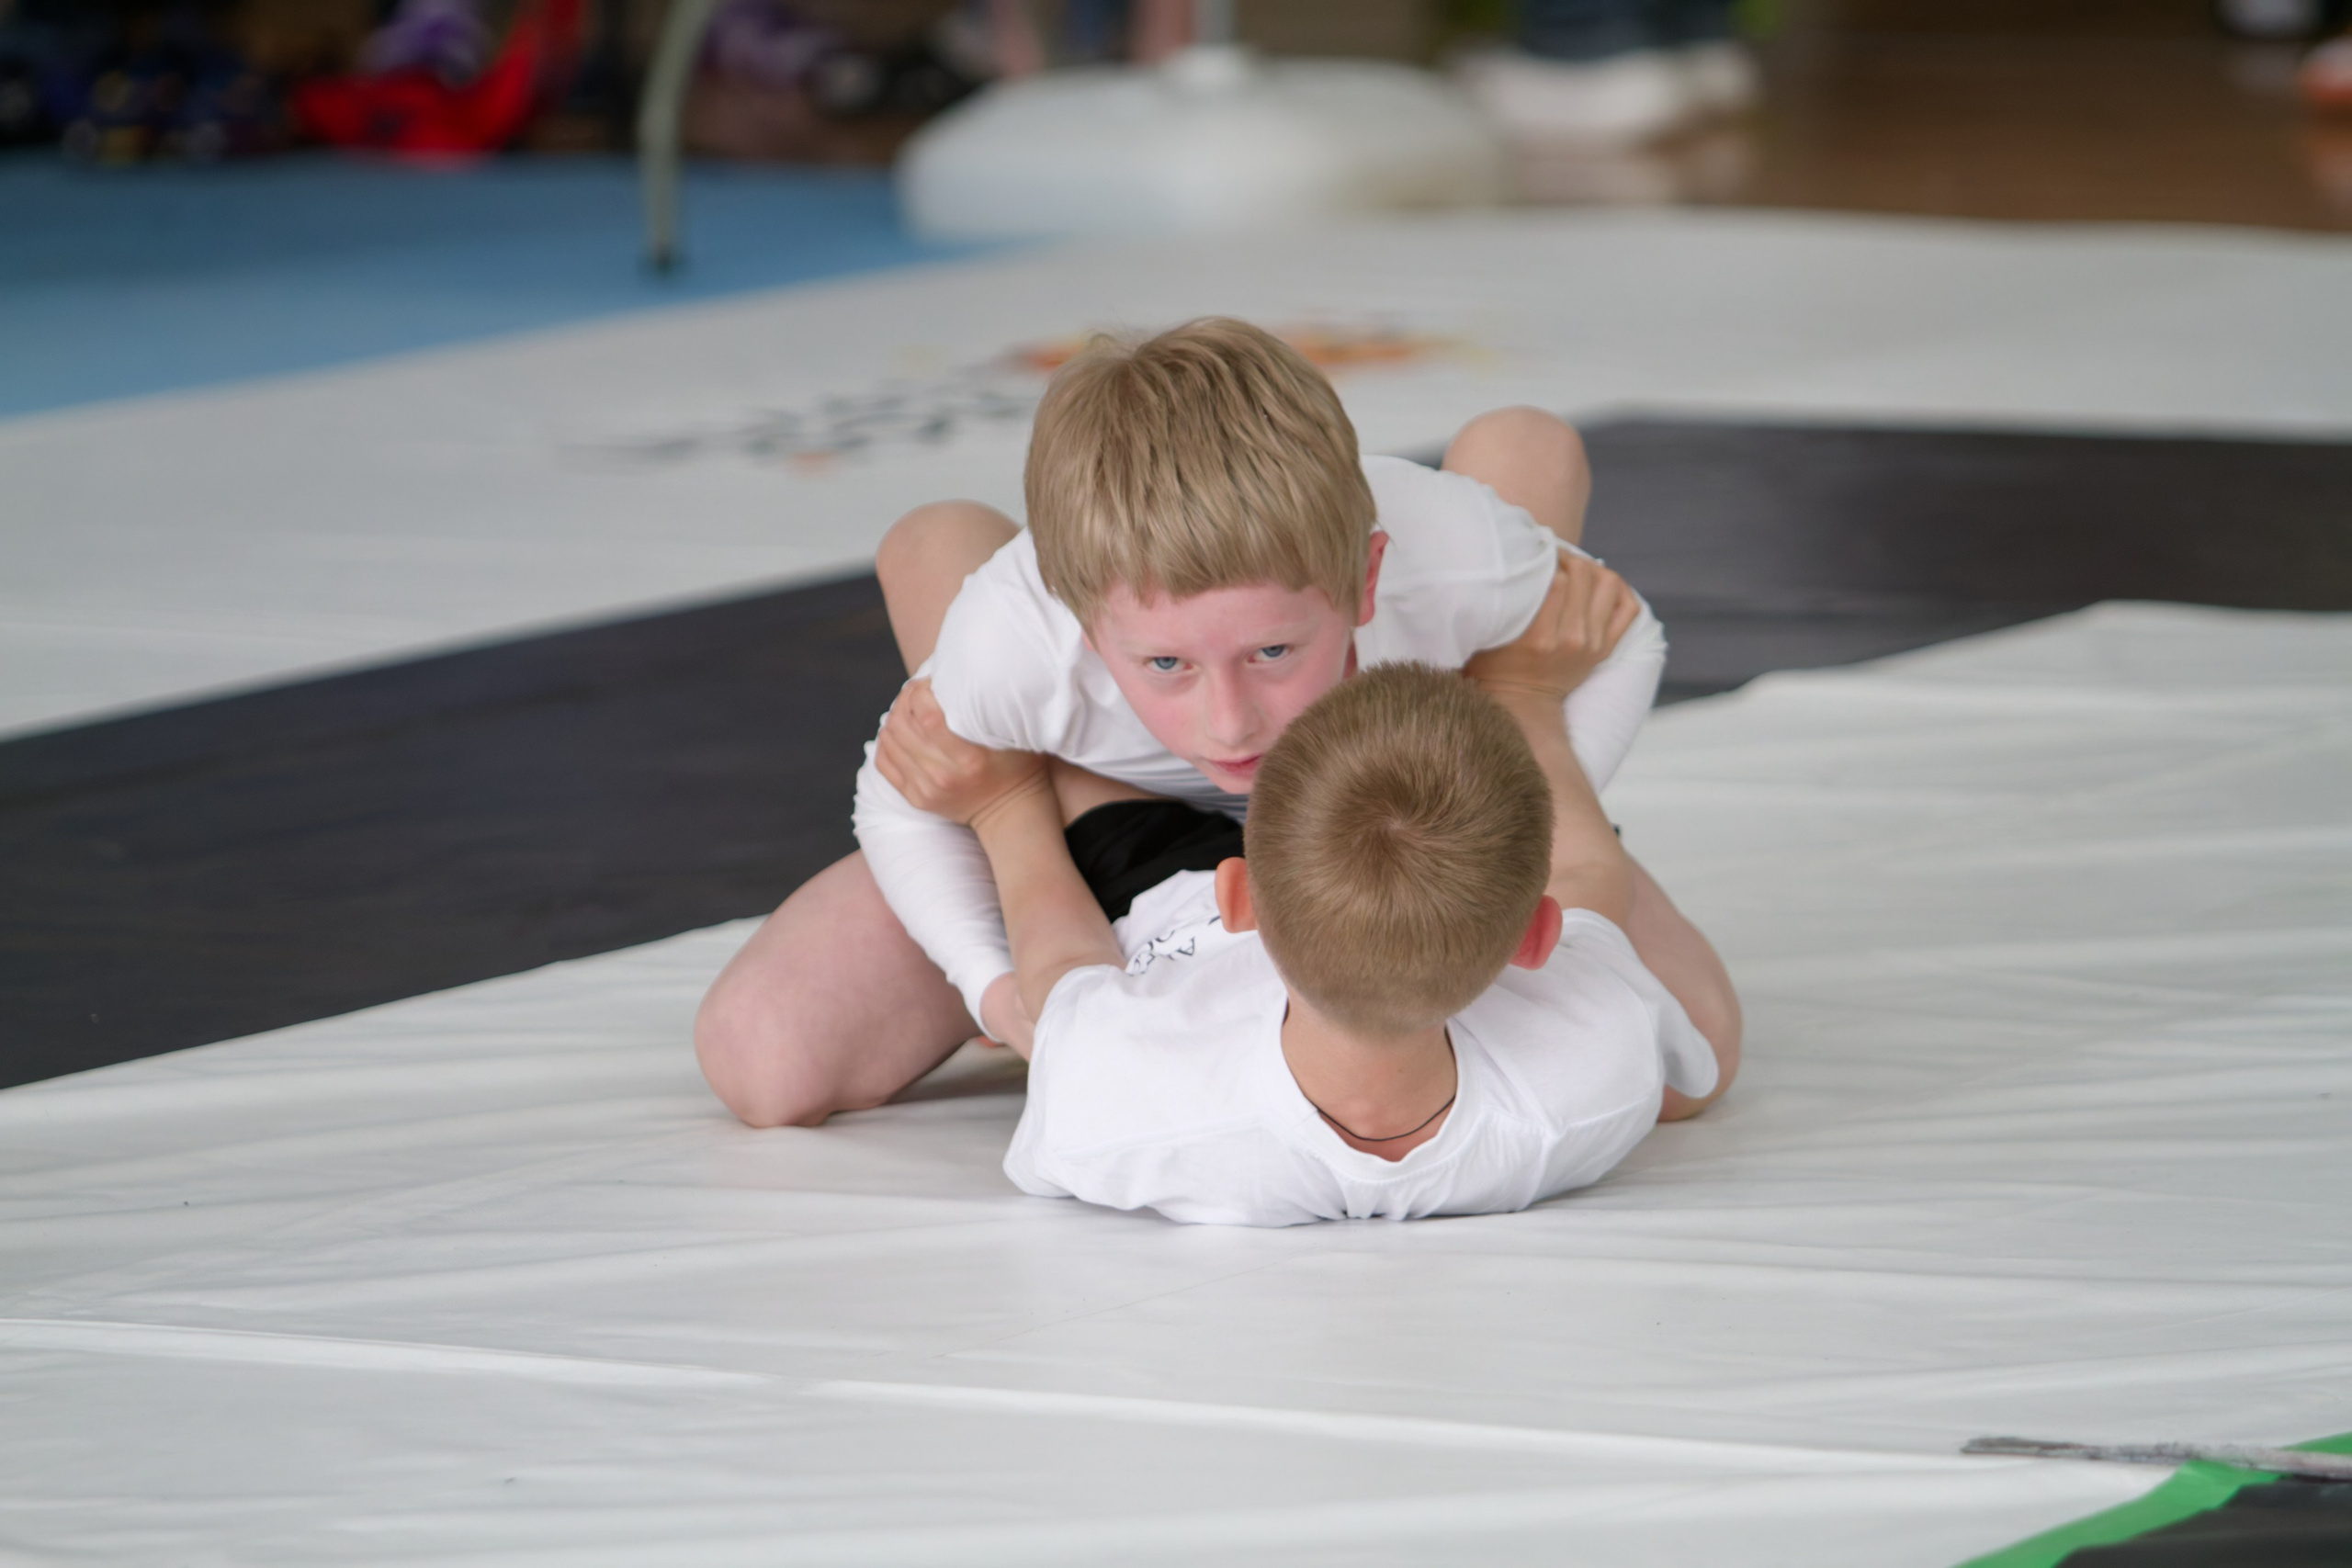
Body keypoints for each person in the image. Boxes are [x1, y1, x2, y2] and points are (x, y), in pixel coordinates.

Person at [695, 318, 1690, 1127]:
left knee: (1684, 1071)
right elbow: (904, 800)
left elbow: (1622, 633)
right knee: (767, 1061)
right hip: (1108, 804)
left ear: (1364, 580)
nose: (1228, 722)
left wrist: (1484, 832)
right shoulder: (1016, 644)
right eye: (1166, 665)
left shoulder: (1457, 555)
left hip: (1389, 797)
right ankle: (1070, 791)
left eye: (1272, 653)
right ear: (1088, 629)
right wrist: (995, 985)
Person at [868, 590, 1737, 1224]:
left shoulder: (1127, 1103)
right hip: (1317, 875)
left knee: (940, 551)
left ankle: (1070, 604)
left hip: (1157, 887)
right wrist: (1535, 700)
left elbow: (1058, 965)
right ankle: (1503, 638)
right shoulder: (1589, 1081)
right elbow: (1588, 877)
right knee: (1701, 1071)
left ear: (1237, 894)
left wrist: (1003, 803)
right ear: (1532, 936)